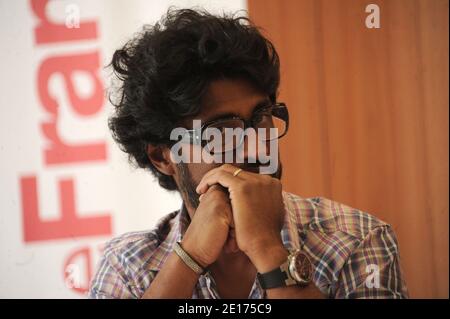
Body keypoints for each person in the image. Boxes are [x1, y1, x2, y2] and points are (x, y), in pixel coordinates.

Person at [89, 8, 408, 299]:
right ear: (164, 157)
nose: (257, 146)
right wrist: (190, 257)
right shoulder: (128, 267)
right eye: (223, 132)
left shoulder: (356, 239)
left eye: (261, 118)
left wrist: (268, 249)